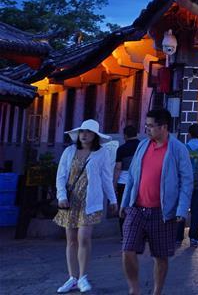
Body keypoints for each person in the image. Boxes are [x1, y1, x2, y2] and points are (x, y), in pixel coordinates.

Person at [121, 108, 192, 295]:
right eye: (146, 125)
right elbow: (132, 176)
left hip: (163, 212)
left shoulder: (178, 149)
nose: (147, 129)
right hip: (137, 208)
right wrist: (125, 202)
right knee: (127, 249)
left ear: (164, 127)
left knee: (160, 257)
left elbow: (186, 181)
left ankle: (157, 292)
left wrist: (181, 210)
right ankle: (134, 289)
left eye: (151, 126)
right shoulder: (142, 146)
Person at [54, 119, 117, 294]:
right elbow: (61, 175)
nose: (84, 135)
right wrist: (61, 196)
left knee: (84, 238)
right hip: (70, 201)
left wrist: (113, 200)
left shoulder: (102, 153)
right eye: (82, 131)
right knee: (71, 240)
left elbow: (106, 177)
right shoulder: (69, 151)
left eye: (88, 132)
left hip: (90, 202)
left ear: (95, 136)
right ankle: (72, 278)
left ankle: (82, 276)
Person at [114, 125, 140, 235]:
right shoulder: (142, 147)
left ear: (125, 135)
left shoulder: (121, 149)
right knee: (137, 207)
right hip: (139, 181)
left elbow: (118, 167)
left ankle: (124, 234)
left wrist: (114, 183)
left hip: (123, 182)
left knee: (123, 207)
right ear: (136, 134)